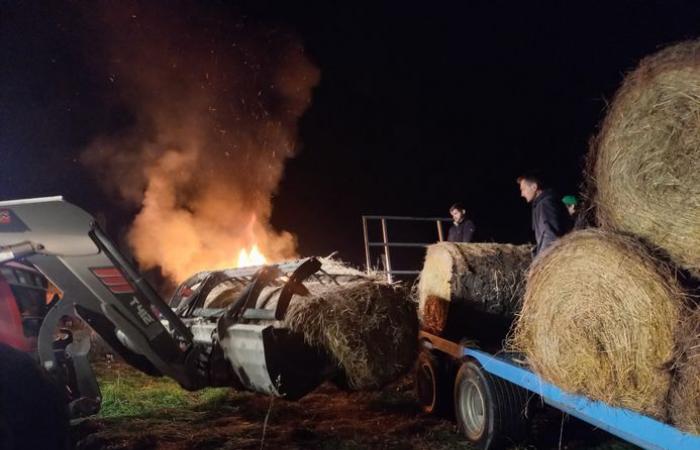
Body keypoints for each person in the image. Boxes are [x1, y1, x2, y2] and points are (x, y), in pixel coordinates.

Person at [517, 172, 571, 257]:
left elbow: (550, 236)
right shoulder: (544, 203)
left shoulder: (545, 204)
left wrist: (539, 263)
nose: (522, 194)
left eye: (523, 189)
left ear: (534, 187)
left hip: (555, 259)